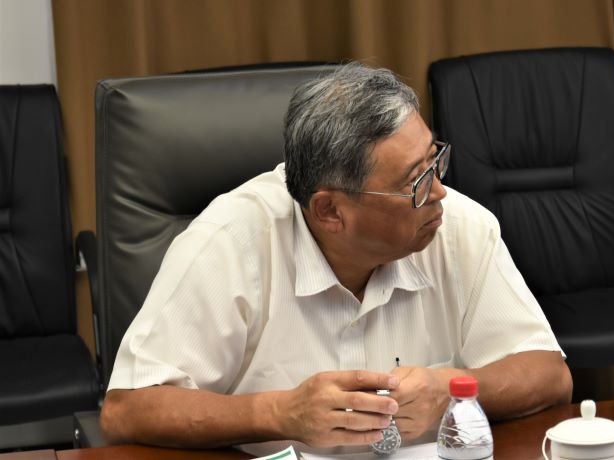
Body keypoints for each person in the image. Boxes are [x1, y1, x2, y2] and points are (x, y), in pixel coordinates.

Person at [100, 62, 572, 455]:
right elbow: (127, 410)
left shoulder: (459, 227)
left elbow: (550, 375)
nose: (439, 192)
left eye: (435, 161)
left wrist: (452, 388)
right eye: (415, 181)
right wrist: (279, 412)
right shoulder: (229, 243)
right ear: (329, 210)